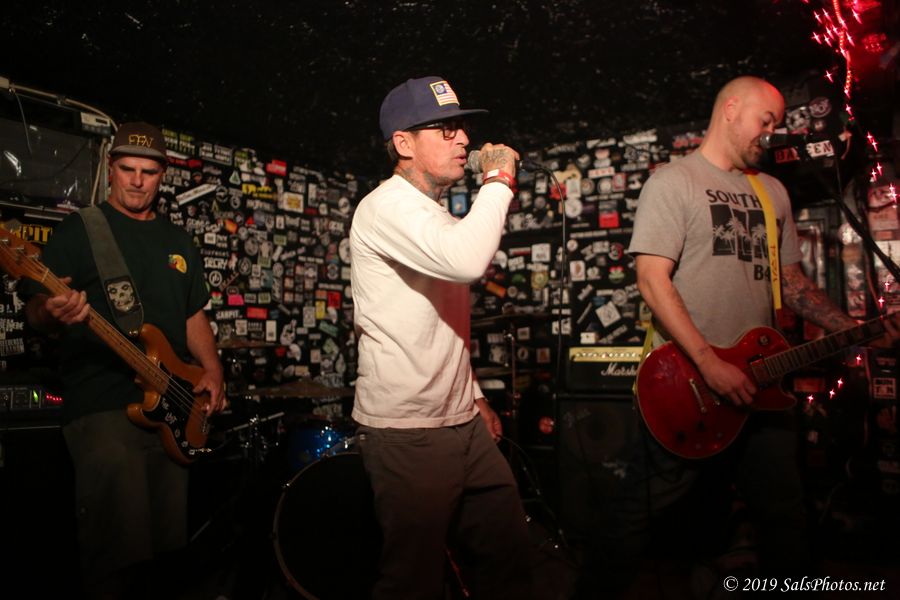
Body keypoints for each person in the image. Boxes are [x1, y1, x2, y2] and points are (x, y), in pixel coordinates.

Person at [584, 75, 899, 595]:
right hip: (687, 384)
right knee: (635, 514)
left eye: (777, 123)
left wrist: (856, 330)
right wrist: (709, 364)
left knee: (784, 514)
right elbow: (652, 279)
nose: (770, 132)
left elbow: (791, 283)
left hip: (761, 384)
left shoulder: (771, 191)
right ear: (731, 109)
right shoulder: (674, 182)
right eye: (765, 120)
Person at [22, 122, 225, 599]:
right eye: (127, 169)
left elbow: (192, 315)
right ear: (111, 169)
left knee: (167, 554)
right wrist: (52, 311)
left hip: (171, 409)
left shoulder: (179, 241)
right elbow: (35, 308)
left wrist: (213, 370)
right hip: (103, 405)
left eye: (148, 172)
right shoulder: (82, 229)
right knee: (118, 554)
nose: (136, 180)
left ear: (163, 175)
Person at [349, 76, 534, 599]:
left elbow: (438, 322)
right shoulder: (385, 207)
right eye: (446, 129)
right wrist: (498, 179)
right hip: (409, 429)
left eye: (463, 129)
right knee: (413, 579)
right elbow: (468, 260)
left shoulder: (434, 213)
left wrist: (473, 395)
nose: (464, 140)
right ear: (403, 143)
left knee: (507, 552)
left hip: (460, 421)